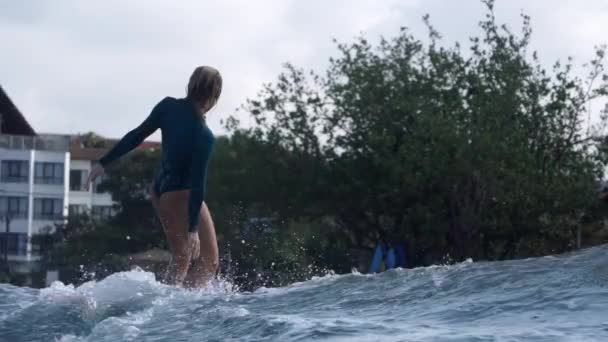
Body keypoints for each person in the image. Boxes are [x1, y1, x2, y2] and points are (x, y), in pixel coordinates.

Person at [86, 66, 222, 288]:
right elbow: (197, 184)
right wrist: (193, 228)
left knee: (181, 257)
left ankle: (170, 302)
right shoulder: (203, 135)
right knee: (209, 262)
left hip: (159, 191)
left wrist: (104, 162)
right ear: (215, 97)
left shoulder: (167, 107)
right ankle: (180, 307)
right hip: (182, 194)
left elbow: (137, 135)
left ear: (190, 85)